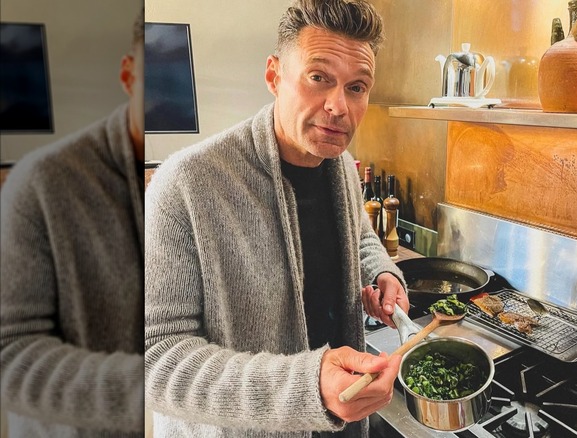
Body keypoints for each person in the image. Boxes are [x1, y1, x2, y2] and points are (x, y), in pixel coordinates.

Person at [144, 0, 409, 437]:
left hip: (339, 423)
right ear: (274, 75)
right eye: (318, 77)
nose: (338, 106)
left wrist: (381, 270)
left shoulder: (340, 164)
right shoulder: (185, 185)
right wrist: (306, 387)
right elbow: (154, 359)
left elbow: (359, 235)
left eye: (357, 87)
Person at [0, 10, 145, 438]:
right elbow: (11, 351)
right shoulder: (41, 182)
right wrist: (158, 389)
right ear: (128, 75)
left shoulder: (192, 176)